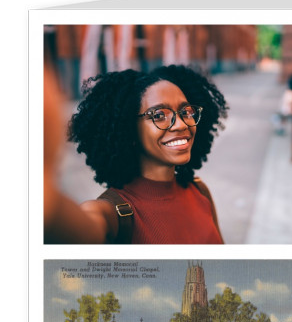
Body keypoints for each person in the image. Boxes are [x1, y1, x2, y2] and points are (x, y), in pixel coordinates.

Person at [45, 64, 227, 244]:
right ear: (130, 129)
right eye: (159, 115)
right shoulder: (112, 214)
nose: (181, 124)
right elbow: (74, 228)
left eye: (186, 112)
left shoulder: (200, 191)